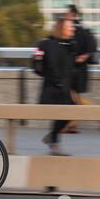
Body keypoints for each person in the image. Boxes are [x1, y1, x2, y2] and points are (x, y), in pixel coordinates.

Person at [33, 18, 76, 156]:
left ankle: (53, 138)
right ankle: (53, 141)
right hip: (54, 89)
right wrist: (58, 82)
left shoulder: (68, 45)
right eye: (70, 27)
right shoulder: (50, 45)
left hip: (63, 89)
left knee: (68, 113)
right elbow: (49, 67)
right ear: (61, 28)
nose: (73, 29)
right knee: (65, 113)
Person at [62, 4, 100, 132]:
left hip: (78, 70)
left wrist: (83, 56)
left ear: (73, 15)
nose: (67, 16)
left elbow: (92, 50)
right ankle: (73, 124)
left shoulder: (82, 32)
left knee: (74, 98)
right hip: (71, 70)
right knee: (73, 98)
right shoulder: (75, 31)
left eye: (68, 14)